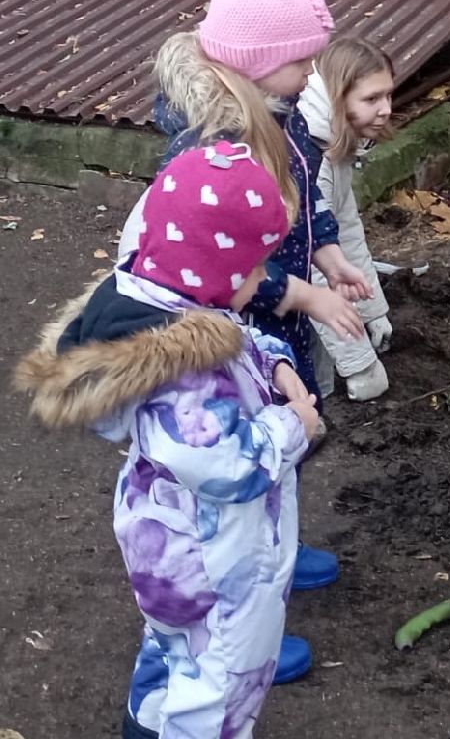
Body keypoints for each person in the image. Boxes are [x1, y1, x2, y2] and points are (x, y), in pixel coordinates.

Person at [15, 141, 319, 739]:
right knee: (221, 684)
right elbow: (225, 465)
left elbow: (238, 340)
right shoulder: (187, 371)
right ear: (213, 269)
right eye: (255, 269)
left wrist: (276, 360)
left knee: (176, 650)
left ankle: (147, 724)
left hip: (171, 544)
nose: (261, 282)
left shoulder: (164, 304)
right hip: (216, 558)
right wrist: (293, 425)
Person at [119, 0, 367, 619]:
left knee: (290, 426)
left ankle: (275, 548)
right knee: (246, 452)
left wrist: (325, 251)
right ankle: (242, 596)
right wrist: (305, 296)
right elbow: (204, 271)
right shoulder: (211, 146)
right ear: (257, 63)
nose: (310, 76)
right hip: (229, 327)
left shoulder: (274, 114)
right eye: (300, 64)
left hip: (272, 315)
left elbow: (302, 196)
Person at [298, 35, 395, 401]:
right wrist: (361, 365)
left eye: (387, 94)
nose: (385, 108)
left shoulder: (333, 147)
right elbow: (316, 269)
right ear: (337, 99)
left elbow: (347, 232)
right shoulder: (310, 159)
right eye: (371, 99)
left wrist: (374, 312)